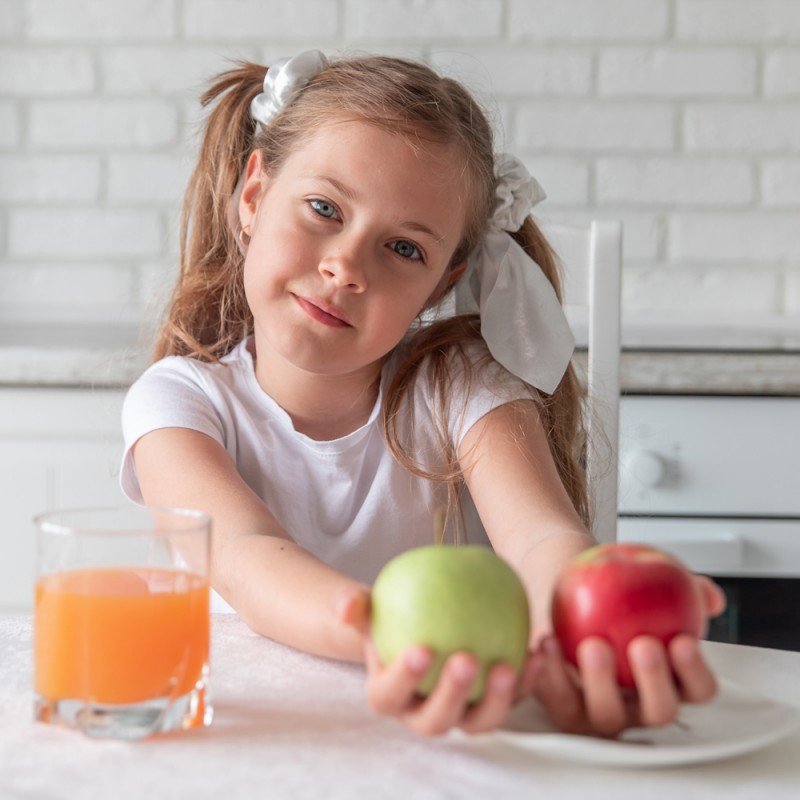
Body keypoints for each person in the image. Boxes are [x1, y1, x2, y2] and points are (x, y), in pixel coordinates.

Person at [121, 50, 724, 738]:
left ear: (442, 281)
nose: (345, 266)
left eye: (404, 249)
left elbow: (541, 536)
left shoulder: (461, 384)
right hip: (260, 735)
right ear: (253, 197)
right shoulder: (176, 404)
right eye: (324, 208)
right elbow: (241, 554)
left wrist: (581, 628)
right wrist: (389, 634)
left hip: (449, 738)